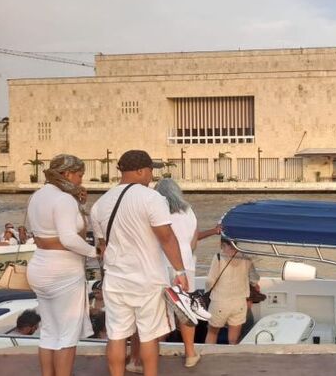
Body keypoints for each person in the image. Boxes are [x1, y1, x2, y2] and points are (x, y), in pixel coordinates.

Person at [90, 150, 189, 376]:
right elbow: (166, 237)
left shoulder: (100, 204)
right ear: (140, 170)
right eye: (151, 170)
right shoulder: (151, 198)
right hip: (148, 279)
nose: (152, 176)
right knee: (149, 336)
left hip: (115, 280)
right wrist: (180, 271)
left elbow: (102, 246)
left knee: (116, 336)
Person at [25, 154, 98, 376]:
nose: (81, 180)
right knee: (67, 334)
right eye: (79, 175)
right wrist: (94, 252)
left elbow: (41, 234)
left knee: (49, 331)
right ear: (66, 174)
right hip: (63, 271)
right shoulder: (64, 200)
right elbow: (69, 238)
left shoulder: (37, 196)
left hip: (39, 266)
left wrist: (79, 203)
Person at [154, 178, 221, 368]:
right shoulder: (188, 211)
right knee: (186, 310)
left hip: (161, 264)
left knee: (159, 311)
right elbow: (193, 242)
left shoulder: (157, 211)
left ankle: (155, 352)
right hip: (186, 266)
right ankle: (190, 354)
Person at [205, 237, 259, 345]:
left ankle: (209, 355)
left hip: (220, 301)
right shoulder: (246, 258)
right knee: (233, 340)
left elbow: (210, 281)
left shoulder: (219, 257)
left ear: (222, 244)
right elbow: (254, 279)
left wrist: (207, 291)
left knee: (212, 333)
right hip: (239, 302)